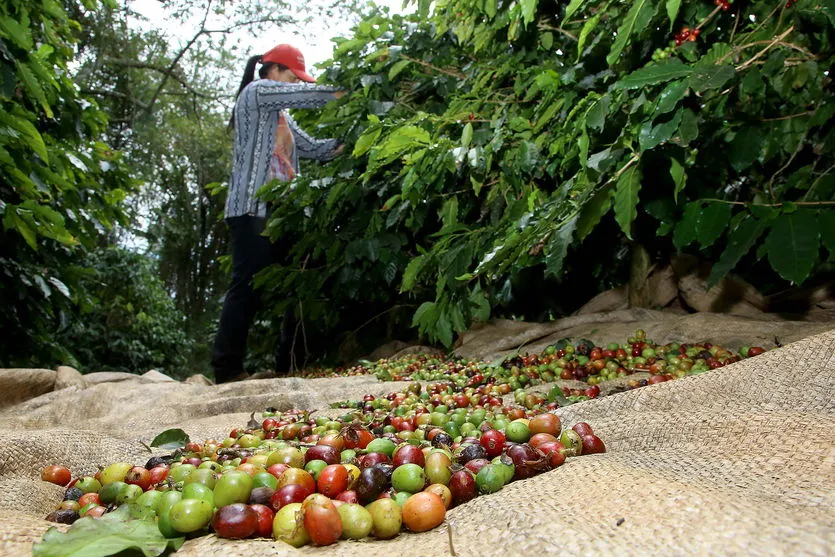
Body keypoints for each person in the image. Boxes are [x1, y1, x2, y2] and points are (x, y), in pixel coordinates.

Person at [212, 44, 345, 384]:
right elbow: (313, 96)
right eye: (291, 76)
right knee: (246, 284)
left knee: (297, 278)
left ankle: (290, 362)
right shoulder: (257, 93)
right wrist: (345, 93)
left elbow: (314, 148)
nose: (294, 84)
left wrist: (352, 141)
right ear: (274, 71)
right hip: (251, 207)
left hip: (281, 210)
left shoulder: (281, 117)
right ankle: (227, 368)